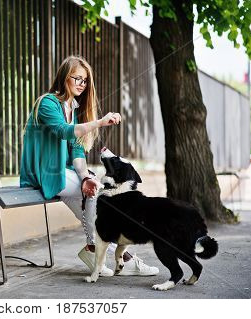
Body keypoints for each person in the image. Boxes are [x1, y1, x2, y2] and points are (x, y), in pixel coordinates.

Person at [20, 55, 158, 276]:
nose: (81, 85)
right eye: (77, 78)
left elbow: (75, 149)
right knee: (98, 195)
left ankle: (120, 257)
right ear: (64, 77)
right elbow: (63, 131)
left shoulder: (71, 109)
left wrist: (84, 177)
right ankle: (95, 247)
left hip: (63, 175)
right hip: (44, 173)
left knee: (93, 203)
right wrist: (101, 122)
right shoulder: (48, 103)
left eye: (85, 81)